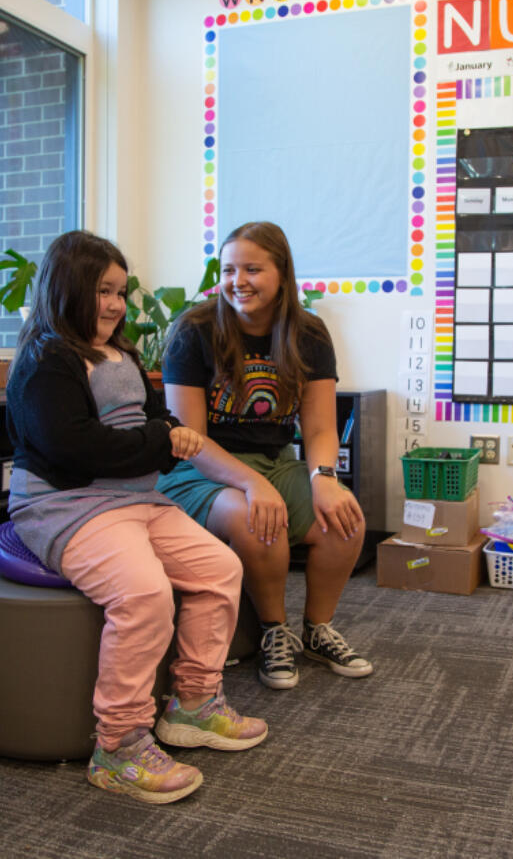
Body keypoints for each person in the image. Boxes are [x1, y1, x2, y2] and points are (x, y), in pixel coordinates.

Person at [5, 230, 266, 806]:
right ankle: (118, 746)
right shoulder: (47, 360)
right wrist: (159, 440)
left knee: (221, 567)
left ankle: (194, 704)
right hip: (66, 504)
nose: (116, 304)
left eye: (121, 292)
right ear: (68, 288)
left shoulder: (122, 354)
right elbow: (77, 450)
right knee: (145, 593)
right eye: (103, 290)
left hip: (135, 501)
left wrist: (167, 432)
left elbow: (155, 420)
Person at [158, 220, 373, 691]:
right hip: (198, 470)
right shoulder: (193, 330)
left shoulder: (309, 332)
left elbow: (318, 427)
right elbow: (189, 438)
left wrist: (324, 478)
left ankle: (316, 629)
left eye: (252, 269)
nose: (238, 281)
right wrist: (253, 484)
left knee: (345, 519)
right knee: (259, 519)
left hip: (276, 462)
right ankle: (275, 632)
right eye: (229, 269)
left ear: (282, 274)